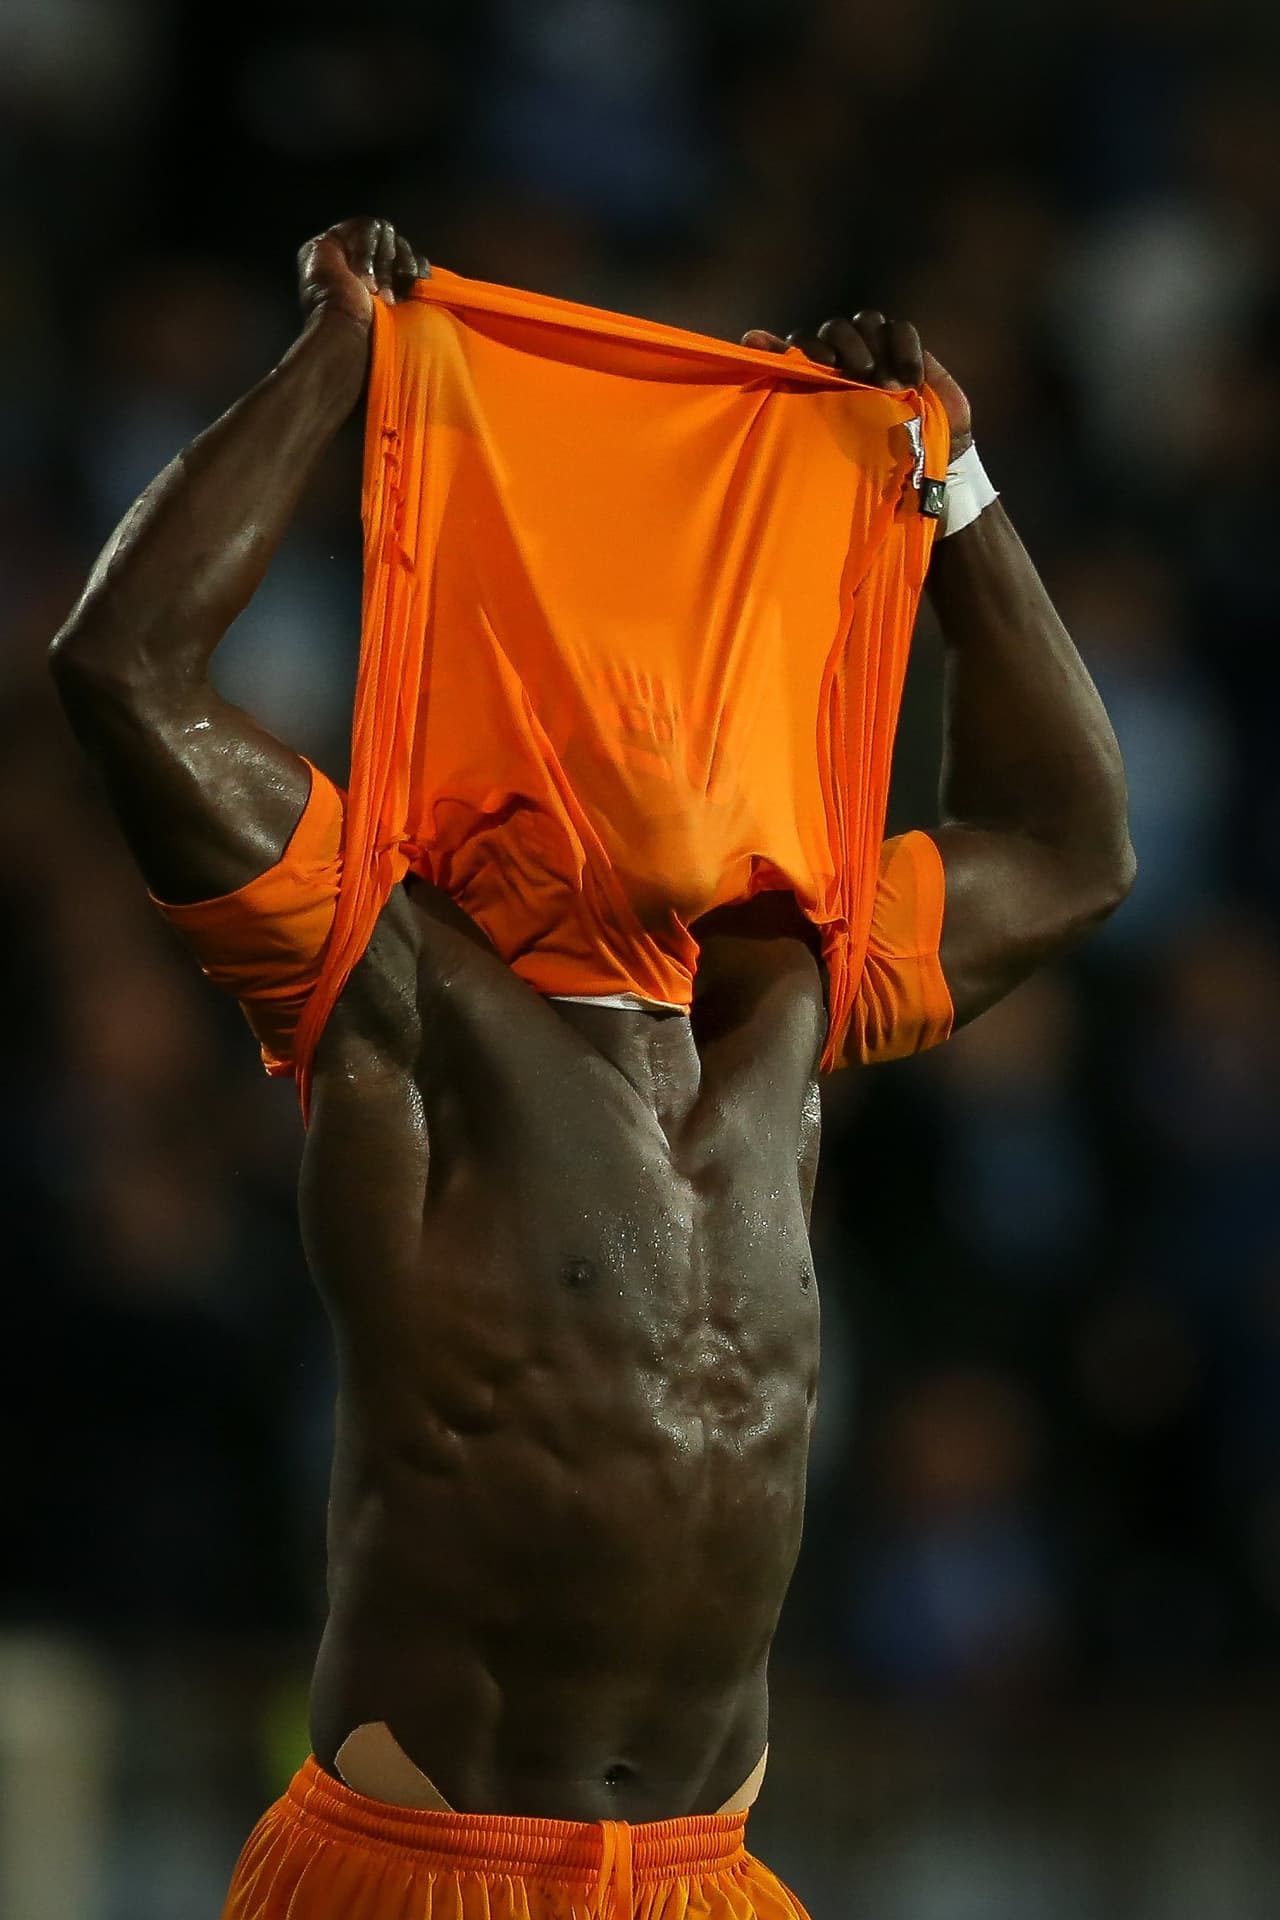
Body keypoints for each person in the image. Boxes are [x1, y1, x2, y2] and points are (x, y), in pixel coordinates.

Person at [50, 217, 1134, 1919]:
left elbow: (1075, 849)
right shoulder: (389, 983)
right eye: (626, 699)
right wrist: (335, 365)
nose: (673, 727)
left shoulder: (790, 990)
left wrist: (957, 487)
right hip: (423, 1869)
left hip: (711, 1876)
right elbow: (120, 669)